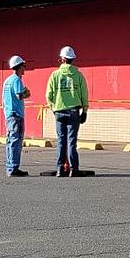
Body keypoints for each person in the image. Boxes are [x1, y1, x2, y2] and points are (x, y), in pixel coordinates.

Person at [46, 45, 90, 177]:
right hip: (73, 111)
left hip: (59, 111)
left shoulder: (55, 75)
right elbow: (84, 95)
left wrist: (53, 108)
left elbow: (49, 95)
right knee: (72, 142)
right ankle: (74, 169)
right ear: (72, 59)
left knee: (61, 141)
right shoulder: (78, 75)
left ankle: (60, 169)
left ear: (62, 59)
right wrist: (85, 111)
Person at [3, 55, 32, 177]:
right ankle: (14, 168)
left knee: (10, 141)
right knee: (16, 141)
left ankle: (10, 165)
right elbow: (19, 95)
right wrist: (27, 93)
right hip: (16, 115)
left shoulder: (7, 81)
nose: (24, 68)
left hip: (9, 114)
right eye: (23, 66)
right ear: (19, 67)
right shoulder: (16, 80)